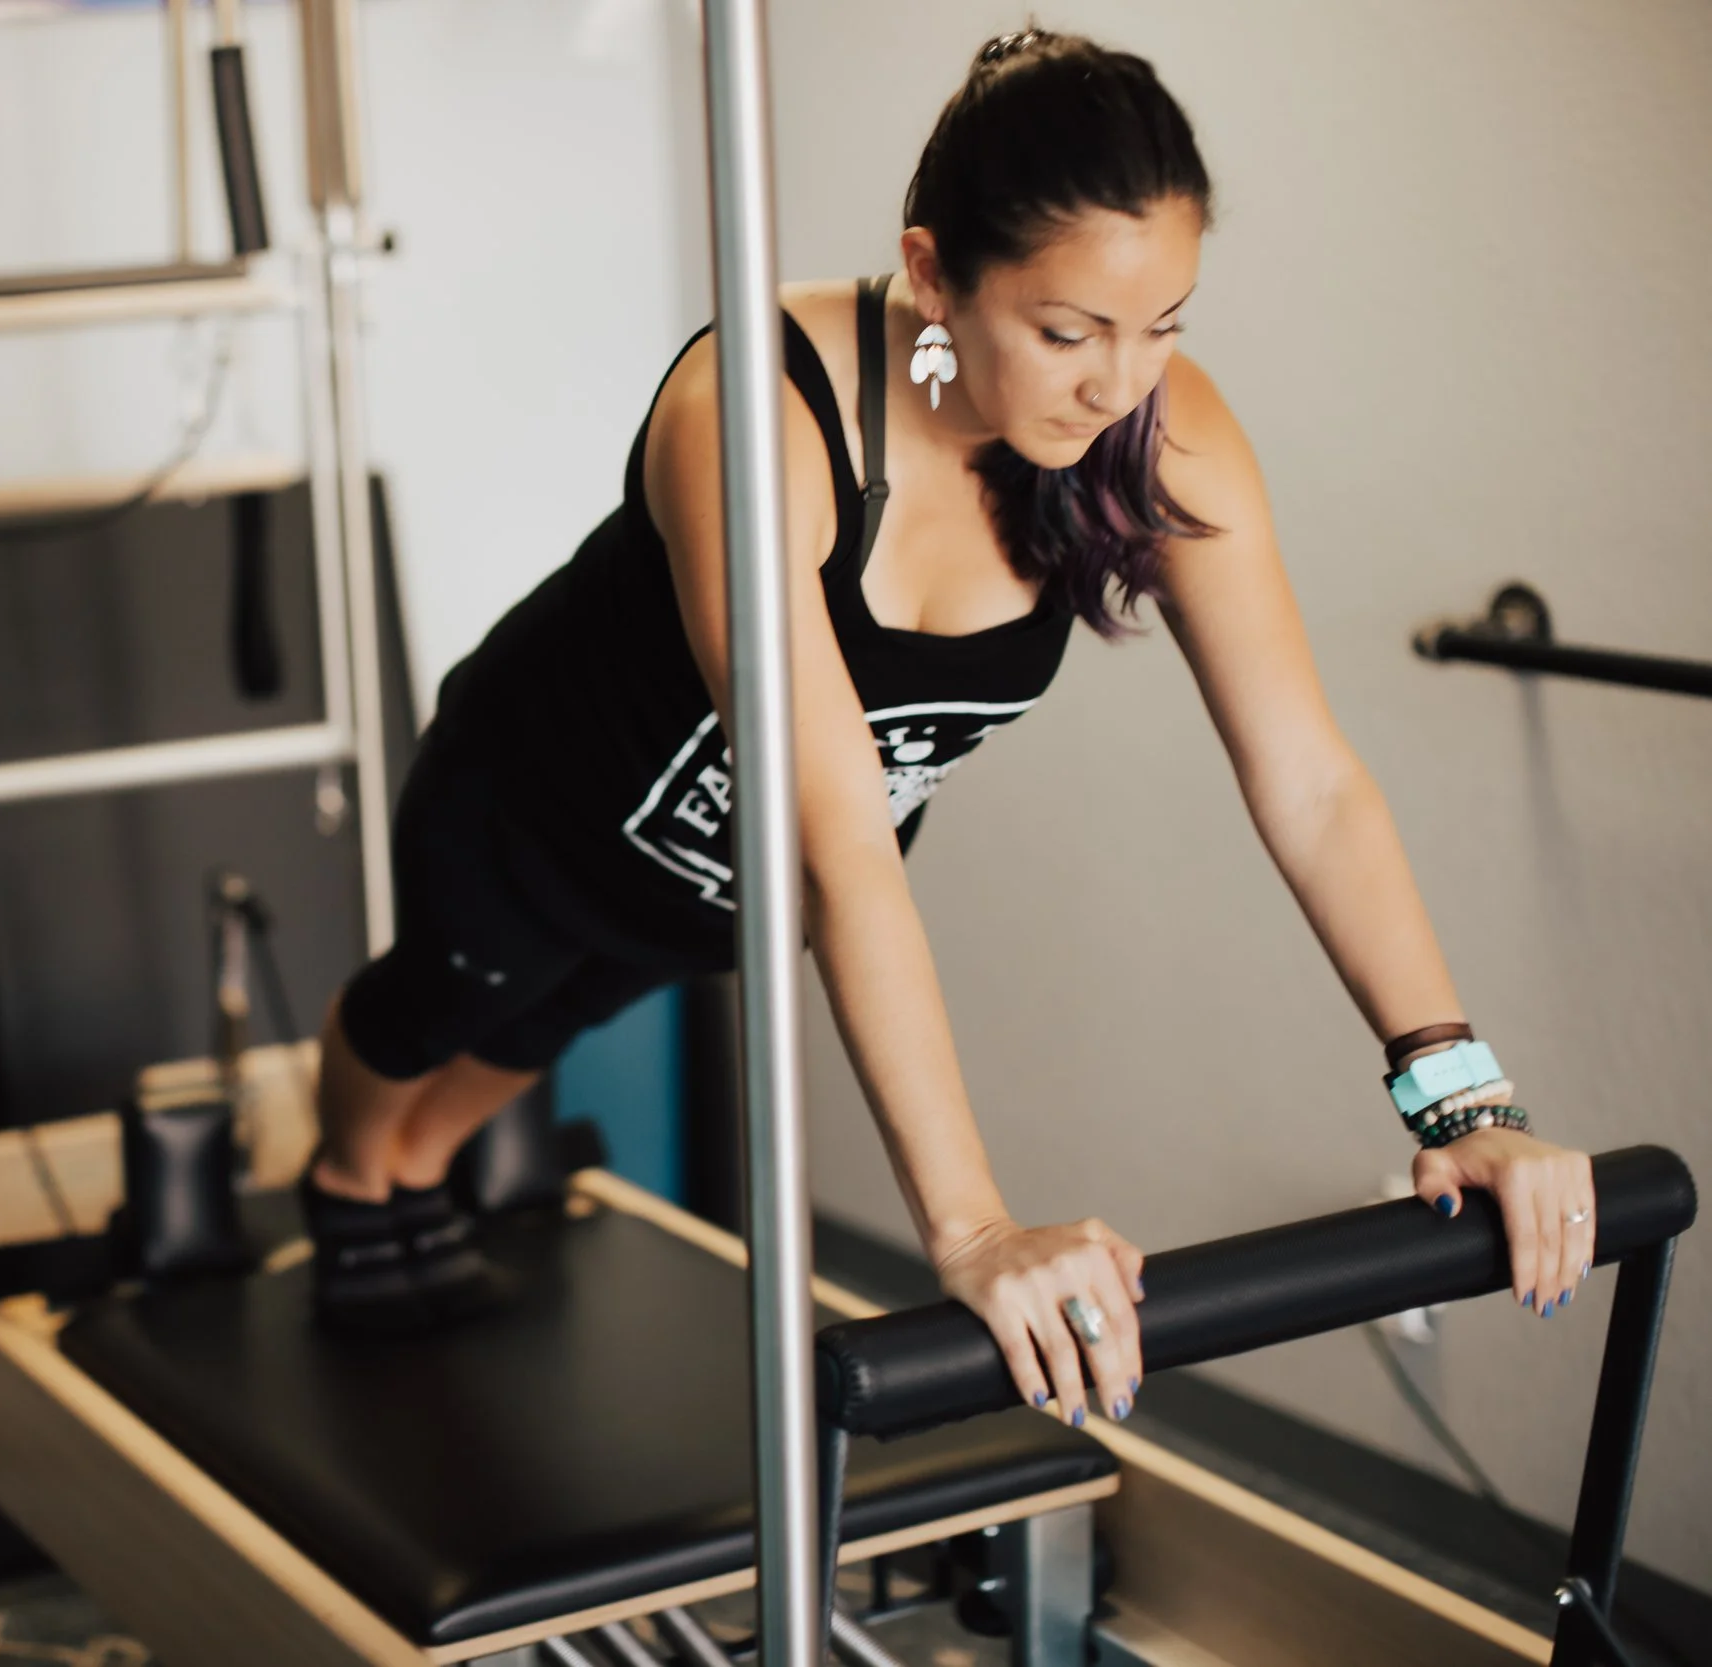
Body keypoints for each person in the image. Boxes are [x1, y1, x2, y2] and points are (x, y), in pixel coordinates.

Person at [296, 28, 1595, 1427]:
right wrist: (973, 1229)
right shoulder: (758, 415)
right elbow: (847, 839)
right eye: (1067, 330)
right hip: (535, 811)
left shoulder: (1161, 429)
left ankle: (421, 1169)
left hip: (721, 893)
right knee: (443, 999)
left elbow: (1311, 783)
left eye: (1165, 324)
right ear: (931, 275)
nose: (1120, 385)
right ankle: (353, 1184)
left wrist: (1464, 1101)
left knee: (536, 1028)